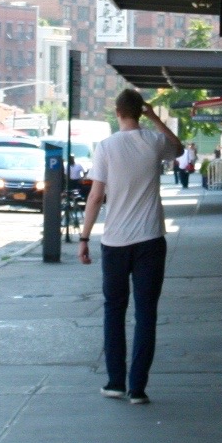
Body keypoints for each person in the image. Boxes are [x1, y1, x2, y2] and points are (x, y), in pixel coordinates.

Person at [79, 89, 182, 404]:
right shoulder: (153, 142)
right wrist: (154, 117)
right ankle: (138, 387)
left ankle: (115, 382)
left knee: (114, 310)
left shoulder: (106, 147)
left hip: (115, 243)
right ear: (140, 110)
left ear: (117, 111)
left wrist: (84, 238)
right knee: (146, 313)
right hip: (150, 239)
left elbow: (96, 196)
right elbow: (177, 149)